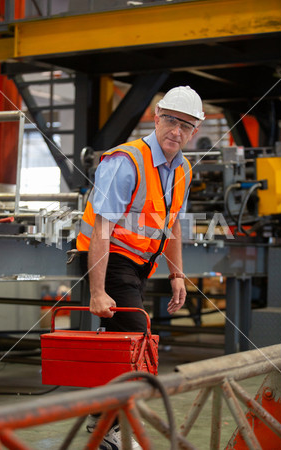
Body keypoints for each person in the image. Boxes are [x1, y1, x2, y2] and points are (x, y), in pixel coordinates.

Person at [76, 85, 205, 448]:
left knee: (123, 341)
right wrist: (98, 291)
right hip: (111, 259)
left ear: (195, 131)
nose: (176, 131)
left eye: (186, 126)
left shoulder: (183, 169)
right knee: (136, 341)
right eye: (170, 120)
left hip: (140, 265)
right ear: (156, 117)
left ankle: (101, 415)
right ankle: (114, 428)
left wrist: (177, 274)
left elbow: (173, 224)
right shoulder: (127, 160)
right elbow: (102, 228)